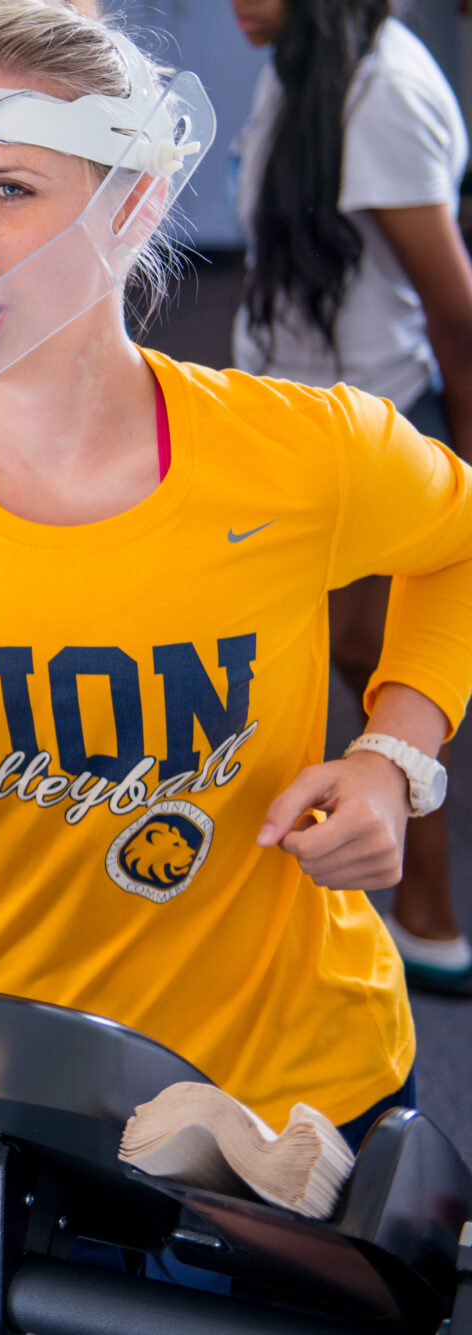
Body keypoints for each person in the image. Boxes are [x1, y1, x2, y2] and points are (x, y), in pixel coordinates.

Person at [0, 0, 472, 1145]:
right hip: (28, 1078)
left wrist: (391, 755)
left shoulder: (301, 451)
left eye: (6, 189)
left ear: (135, 204)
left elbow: (458, 542)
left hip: (304, 1078)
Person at [229, 0, 471, 995]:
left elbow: (455, 317)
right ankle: (405, 912)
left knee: (378, 672)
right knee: (323, 657)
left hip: (369, 436)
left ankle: (429, 925)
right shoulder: (297, 61)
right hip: (287, 424)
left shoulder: (380, 91)